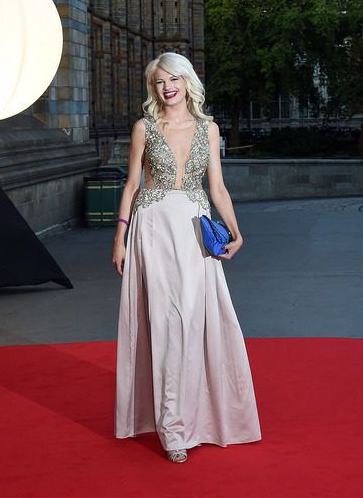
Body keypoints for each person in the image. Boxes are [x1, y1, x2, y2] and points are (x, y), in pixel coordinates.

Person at [112, 53, 261, 463]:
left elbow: (218, 187)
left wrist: (236, 229)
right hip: (154, 230)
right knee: (165, 322)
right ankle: (172, 428)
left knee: (195, 320)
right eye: (159, 82)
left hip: (195, 232)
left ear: (187, 81)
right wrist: (120, 239)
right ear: (152, 88)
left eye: (173, 79)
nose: (167, 88)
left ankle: (204, 416)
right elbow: (130, 186)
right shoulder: (144, 128)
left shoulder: (208, 129)